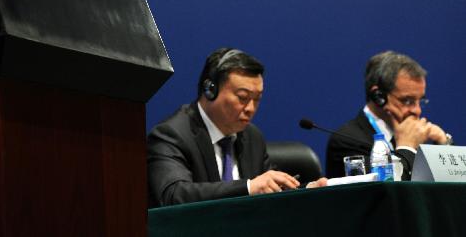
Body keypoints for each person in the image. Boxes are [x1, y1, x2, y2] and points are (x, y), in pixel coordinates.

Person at [147, 48, 326, 207]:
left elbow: (271, 189)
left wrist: (307, 191)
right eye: (242, 97)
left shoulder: (251, 136)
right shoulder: (171, 135)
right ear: (210, 90)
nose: (250, 108)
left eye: (257, 99)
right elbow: (173, 195)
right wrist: (248, 187)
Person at [325, 50, 452, 180]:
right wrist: (406, 148)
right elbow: (386, 191)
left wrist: (444, 144)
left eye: (420, 101)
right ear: (379, 96)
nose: (417, 111)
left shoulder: (418, 137)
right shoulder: (346, 141)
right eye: (407, 101)